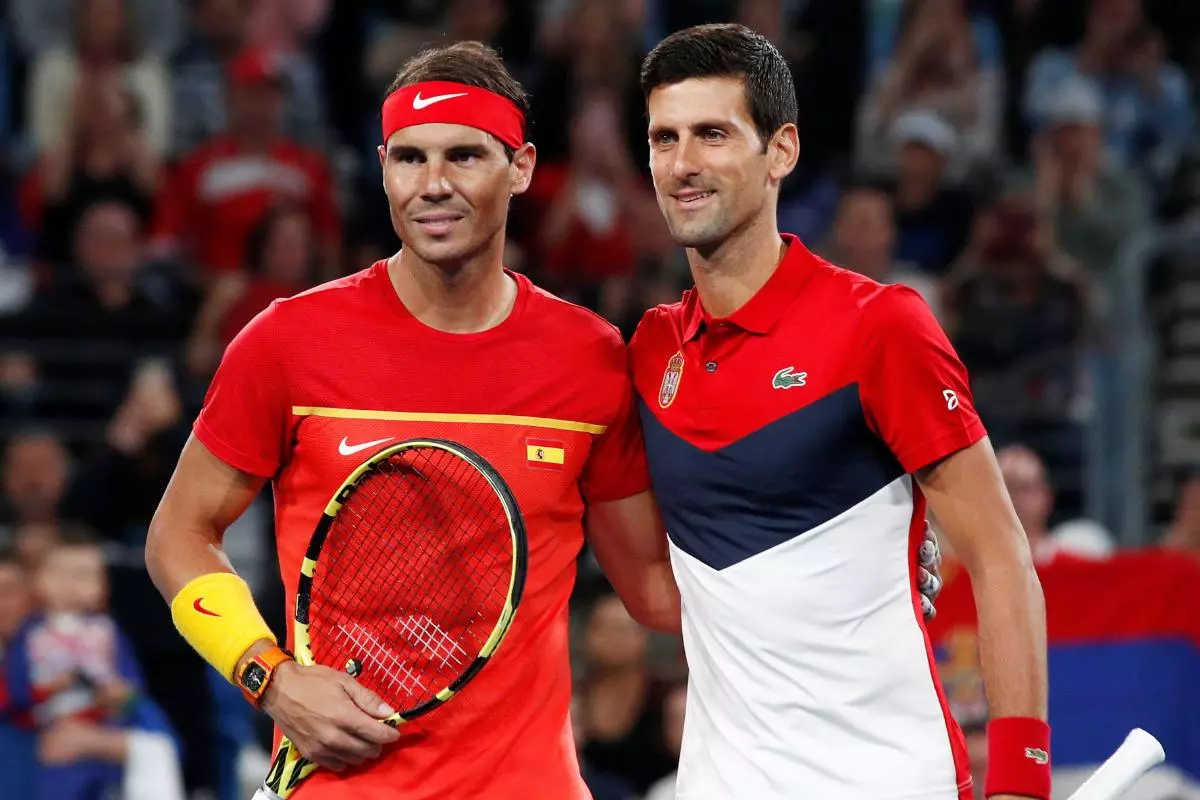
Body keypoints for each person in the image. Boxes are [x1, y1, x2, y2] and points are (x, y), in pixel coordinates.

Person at [144, 41, 679, 800]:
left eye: (465, 155)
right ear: (383, 168)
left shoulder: (590, 358)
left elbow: (654, 590)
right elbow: (178, 535)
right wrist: (270, 677)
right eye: (409, 158)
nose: (433, 185)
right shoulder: (287, 342)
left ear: (521, 167)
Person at [628, 23, 1048, 800]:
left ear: (781, 151)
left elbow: (999, 556)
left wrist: (1021, 780)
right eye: (664, 138)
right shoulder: (651, 352)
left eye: (713, 134)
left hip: (887, 781)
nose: (682, 164)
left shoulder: (880, 326)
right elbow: (655, 589)